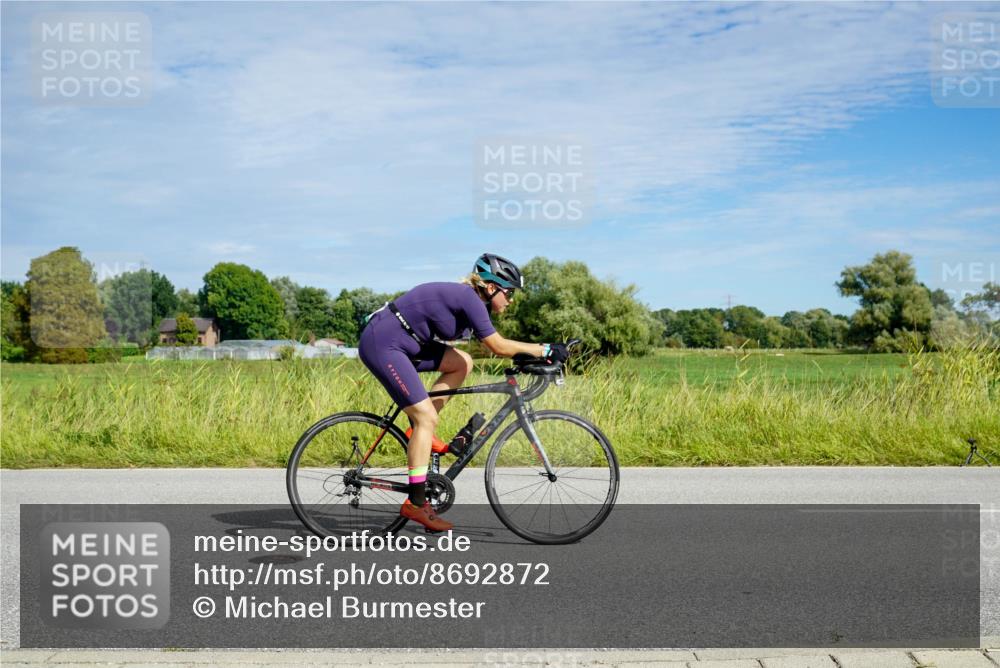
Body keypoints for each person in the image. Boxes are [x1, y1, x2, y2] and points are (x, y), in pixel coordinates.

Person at [358, 253, 569, 532]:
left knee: (462, 363)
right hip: (384, 342)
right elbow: (498, 346)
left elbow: (489, 348)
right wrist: (544, 349)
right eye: (509, 292)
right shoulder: (471, 299)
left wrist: (531, 355)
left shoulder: (473, 301)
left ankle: (418, 434)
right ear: (491, 288)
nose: (511, 300)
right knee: (425, 419)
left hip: (406, 340)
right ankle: (416, 503)